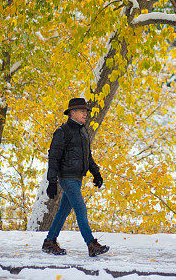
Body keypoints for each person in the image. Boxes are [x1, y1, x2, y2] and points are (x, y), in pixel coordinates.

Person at [42, 97, 110, 257]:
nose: (85, 113)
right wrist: (51, 181)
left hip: (78, 177)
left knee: (63, 211)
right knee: (80, 208)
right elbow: (54, 158)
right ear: (72, 113)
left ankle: (49, 241)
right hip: (67, 177)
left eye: (85, 111)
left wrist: (96, 172)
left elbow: (88, 156)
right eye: (82, 111)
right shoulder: (62, 132)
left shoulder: (82, 131)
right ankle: (91, 244)